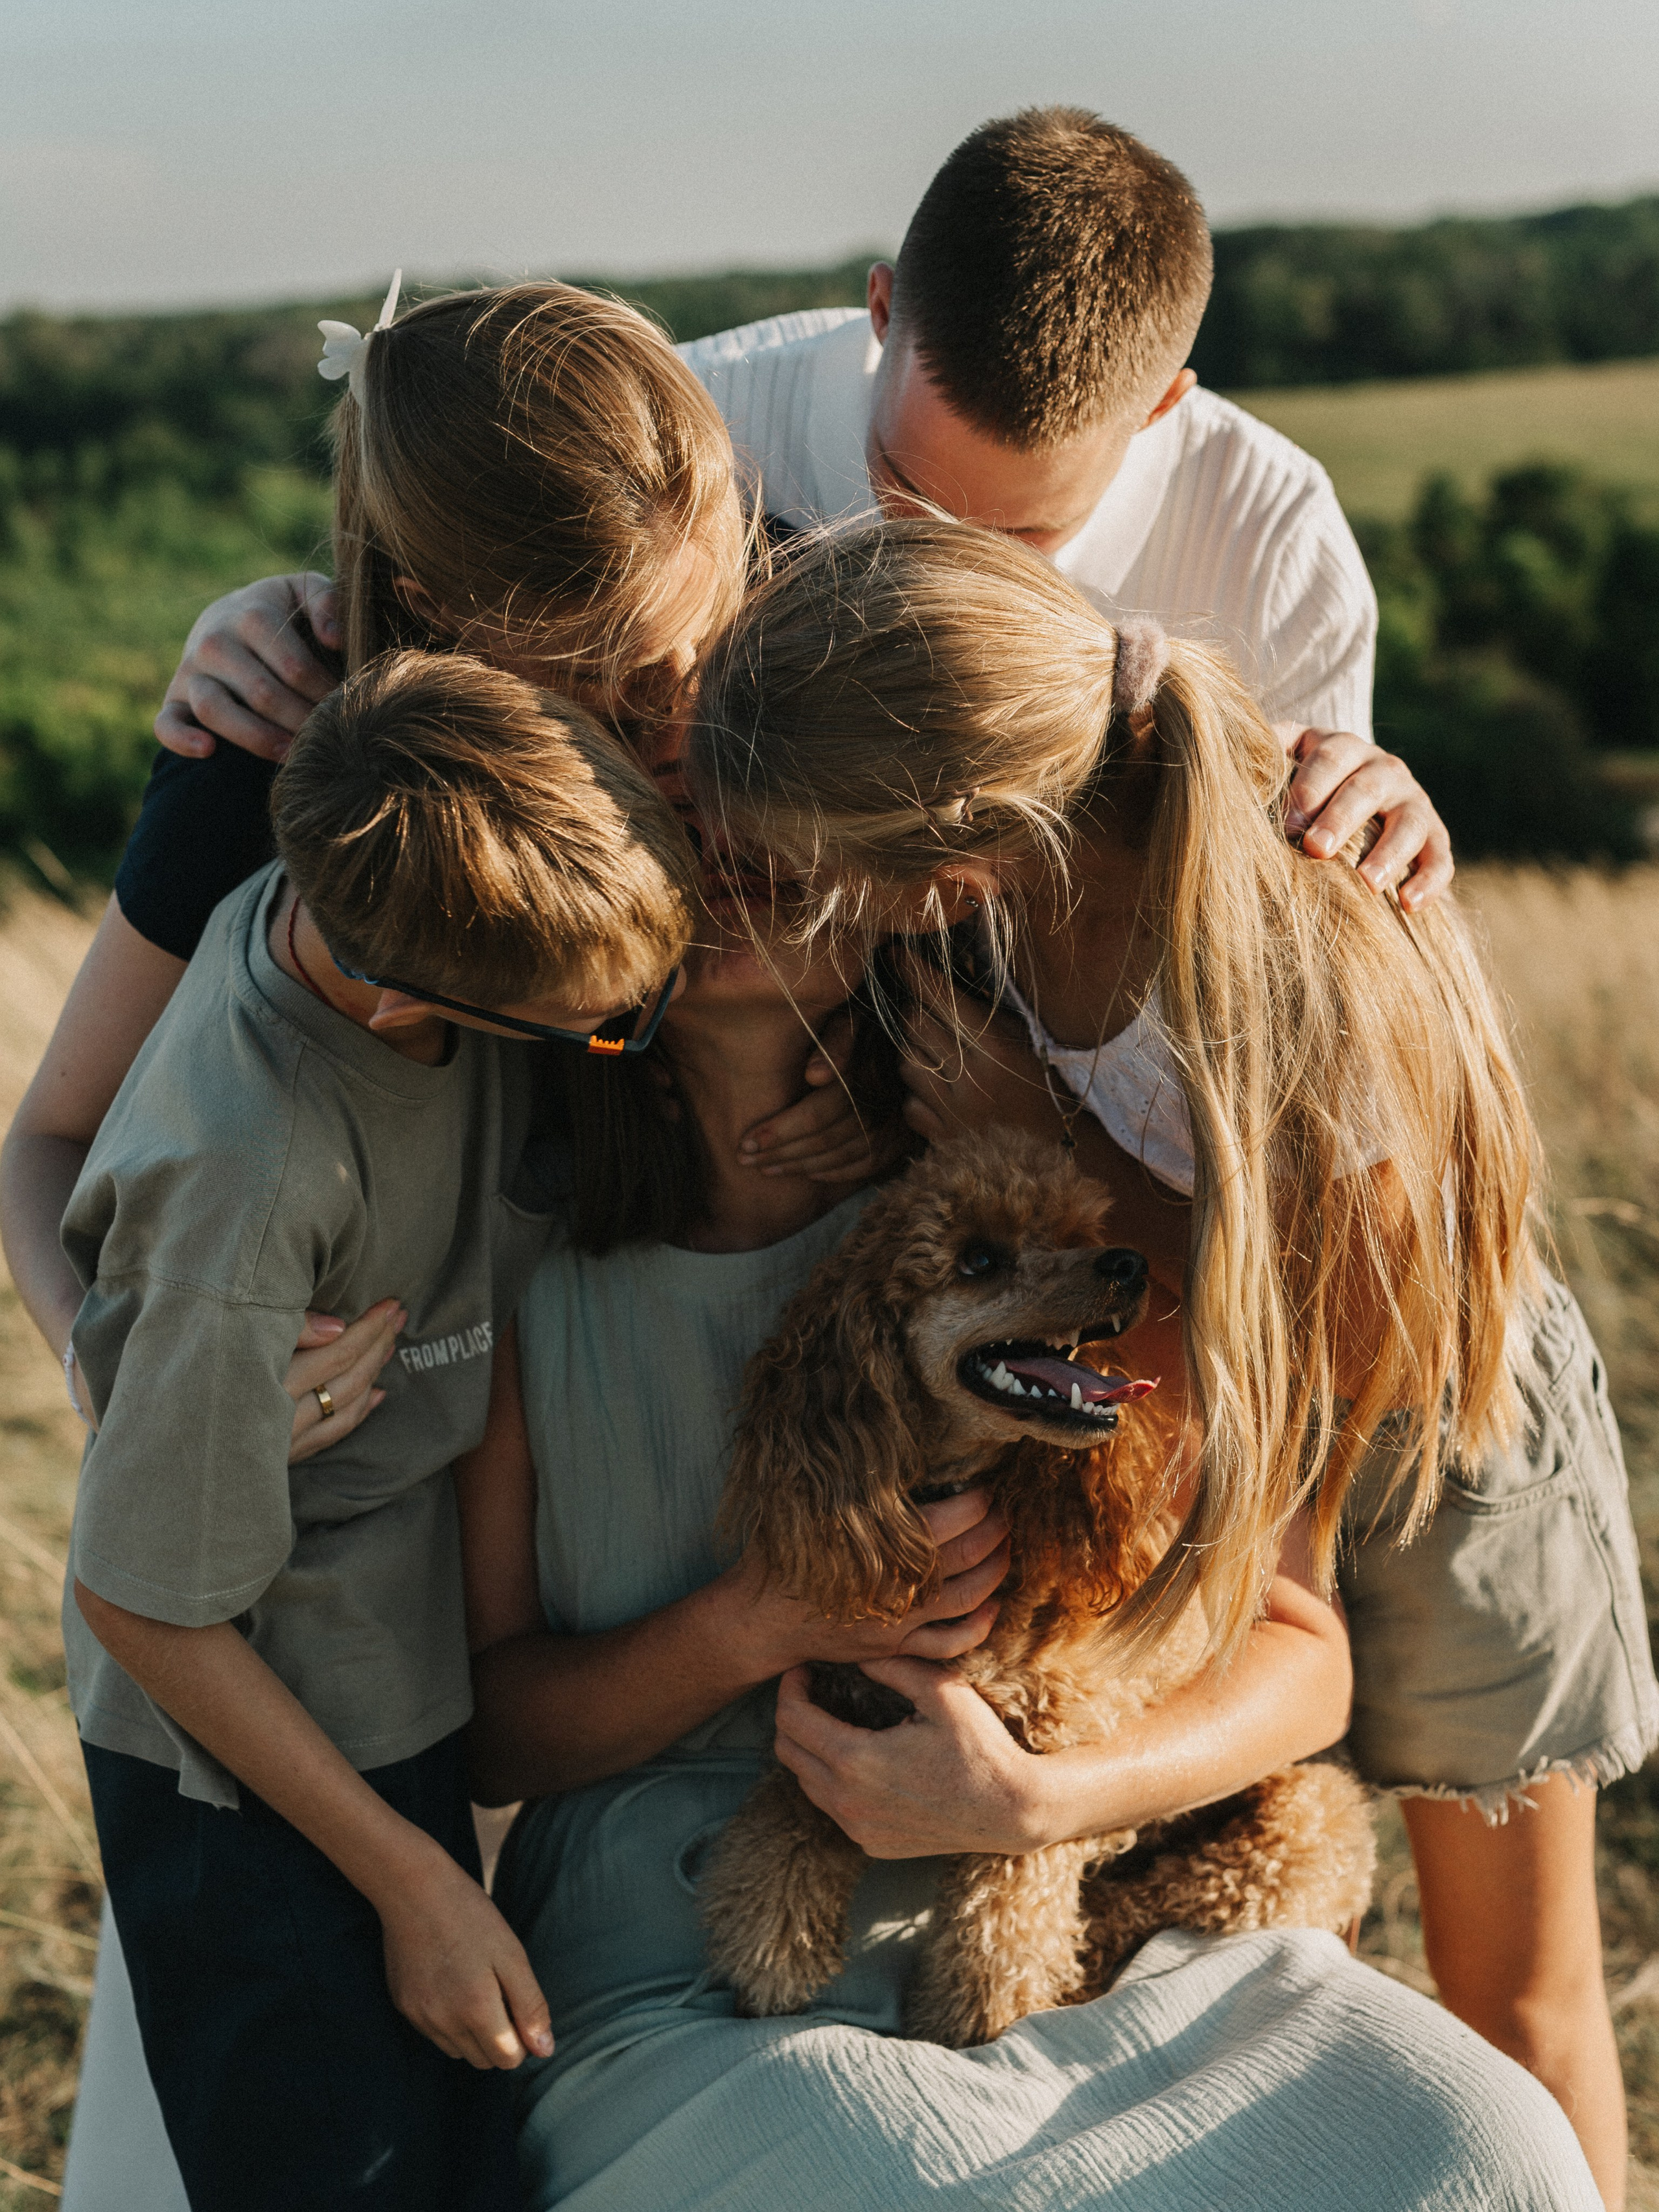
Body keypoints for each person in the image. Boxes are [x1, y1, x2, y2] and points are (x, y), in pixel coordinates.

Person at [687, 515, 1654, 2206]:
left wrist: (1063, 1144)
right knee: (1263, 1902)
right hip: (1168, 1408)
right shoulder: (984, 914)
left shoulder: (1296, 946)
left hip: (1430, 1419)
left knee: (1517, 1988)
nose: (815, 905)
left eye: (828, 869)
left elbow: (1345, 1335)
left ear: (953, 843)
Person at [454, 879, 1598, 2212]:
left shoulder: (1044, 1227)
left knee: (1482, 2142)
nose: (729, 870)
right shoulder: (527, 1278)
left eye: (764, 832)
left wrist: (1036, 1802)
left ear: (879, 890)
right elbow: (493, 1735)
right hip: (695, 1954)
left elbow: (1300, 1654)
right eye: (679, 828)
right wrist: (757, 1623)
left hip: (1069, 1915)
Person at [147, 107, 1450, 918]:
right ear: (878, 313)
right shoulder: (699, 432)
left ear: (1163, 405)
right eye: (903, 491)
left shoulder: (1274, 537)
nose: (941, 566)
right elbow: (466, 580)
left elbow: (1297, 915)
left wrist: (1360, 809)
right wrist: (287, 622)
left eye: (1023, 539)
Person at [61, 649, 699, 2212]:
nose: (618, 1036)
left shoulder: (359, 895)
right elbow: (140, 1596)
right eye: (594, 1032)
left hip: (377, 1678)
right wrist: (416, 1886)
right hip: (252, 1782)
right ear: (408, 998)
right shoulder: (250, 1184)